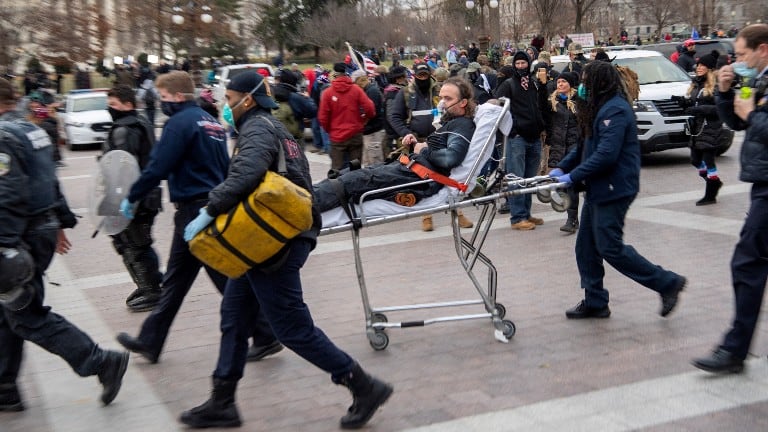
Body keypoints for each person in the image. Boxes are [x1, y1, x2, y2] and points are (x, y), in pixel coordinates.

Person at [178, 70, 393, 429]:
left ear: (247, 99)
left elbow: (246, 174)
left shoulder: (258, 128)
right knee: (233, 317)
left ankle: (363, 385)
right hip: (267, 240)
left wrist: (210, 209)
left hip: (274, 245)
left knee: (292, 328)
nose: (226, 107)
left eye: (229, 100)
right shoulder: (275, 127)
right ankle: (222, 400)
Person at [115, 71, 281, 364]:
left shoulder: (178, 123)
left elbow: (157, 166)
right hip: (209, 207)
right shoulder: (211, 122)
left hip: (196, 210)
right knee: (178, 281)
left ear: (178, 96)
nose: (161, 102)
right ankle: (150, 340)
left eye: (164, 97)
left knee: (225, 279)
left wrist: (133, 196)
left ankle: (265, 334)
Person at [0, 77, 128, 411]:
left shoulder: (3, 136)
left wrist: (5, 247)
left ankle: (100, 361)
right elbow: (47, 179)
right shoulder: (32, 130)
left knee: (25, 314)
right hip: (38, 228)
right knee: (8, 311)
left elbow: (8, 193)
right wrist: (58, 222)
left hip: (20, 235)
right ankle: (5, 387)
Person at [550, 61, 687, 319]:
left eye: (585, 81)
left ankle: (667, 283)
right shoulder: (597, 108)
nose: (581, 86)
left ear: (599, 83)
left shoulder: (616, 110)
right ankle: (595, 301)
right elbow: (583, 147)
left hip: (615, 187)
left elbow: (606, 155)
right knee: (586, 248)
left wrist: (572, 176)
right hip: (600, 186)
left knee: (609, 247)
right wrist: (560, 168)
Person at [691, 24, 768, 374]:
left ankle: (734, 350)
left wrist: (750, 112)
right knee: (748, 261)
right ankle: (734, 348)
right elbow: (739, 125)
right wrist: (724, 94)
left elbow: (753, 120)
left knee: (747, 262)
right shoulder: (759, 78)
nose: (737, 61)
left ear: (762, 49)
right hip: (761, 182)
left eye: (741, 54)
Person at [313, 77, 476, 214]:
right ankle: (304, 196)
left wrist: (424, 149)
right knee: (347, 174)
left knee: (350, 182)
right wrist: (415, 145)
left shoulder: (462, 125)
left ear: (462, 103)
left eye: (448, 99)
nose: (442, 103)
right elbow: (438, 152)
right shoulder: (452, 123)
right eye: (441, 97)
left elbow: (450, 159)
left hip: (416, 177)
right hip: (409, 169)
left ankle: (303, 207)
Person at [388, 64, 473, 231]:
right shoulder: (405, 93)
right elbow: (394, 116)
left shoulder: (439, 91)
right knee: (423, 180)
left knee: (449, 177)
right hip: (416, 142)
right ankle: (426, 216)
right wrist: (406, 134)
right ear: (414, 75)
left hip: (440, 139)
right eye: (419, 75)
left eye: (425, 74)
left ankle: (458, 213)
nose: (422, 78)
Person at [102, 85, 164, 312]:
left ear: (128, 105)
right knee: (137, 243)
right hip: (147, 196)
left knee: (133, 245)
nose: (110, 110)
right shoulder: (142, 123)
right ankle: (148, 283)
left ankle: (152, 289)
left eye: (114, 105)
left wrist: (116, 199)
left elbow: (121, 168)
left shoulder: (123, 129)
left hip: (133, 198)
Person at [493, 51, 550, 230]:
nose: (520, 67)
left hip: (534, 137)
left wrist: (543, 86)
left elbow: (542, 105)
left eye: (523, 63)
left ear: (529, 64)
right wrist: (512, 130)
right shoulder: (509, 85)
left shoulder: (533, 83)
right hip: (517, 138)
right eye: (517, 64)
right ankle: (517, 217)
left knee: (529, 179)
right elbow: (497, 106)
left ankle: (526, 213)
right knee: (516, 178)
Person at [677, 51, 727, 205]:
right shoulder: (696, 83)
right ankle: (714, 182)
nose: (699, 68)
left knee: (708, 161)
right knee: (695, 160)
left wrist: (698, 110)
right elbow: (694, 104)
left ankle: (710, 195)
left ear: (710, 69)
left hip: (710, 128)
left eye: (703, 65)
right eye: (698, 65)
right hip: (697, 128)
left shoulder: (716, 86)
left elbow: (719, 110)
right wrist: (683, 103)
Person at [318, 63, 375, 171]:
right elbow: (370, 108)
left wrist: (330, 130)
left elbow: (323, 117)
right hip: (355, 133)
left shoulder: (328, 93)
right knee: (355, 169)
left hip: (337, 136)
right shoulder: (356, 89)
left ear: (335, 75)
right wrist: (363, 120)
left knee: (337, 170)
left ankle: (337, 187)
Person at [544, 72, 581, 233]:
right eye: (558, 82)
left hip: (575, 146)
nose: (560, 85)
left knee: (573, 184)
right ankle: (572, 219)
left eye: (564, 82)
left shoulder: (579, 101)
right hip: (559, 148)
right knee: (565, 185)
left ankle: (573, 219)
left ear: (571, 84)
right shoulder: (553, 102)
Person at [351, 70, 386, 166]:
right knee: (366, 162)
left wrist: (362, 121)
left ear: (359, 80)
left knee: (375, 162)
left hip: (373, 131)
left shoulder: (372, 91)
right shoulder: (367, 90)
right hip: (368, 131)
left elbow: (372, 112)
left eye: (354, 83)